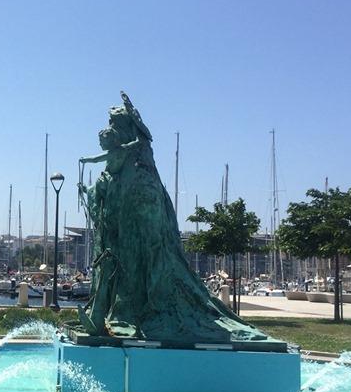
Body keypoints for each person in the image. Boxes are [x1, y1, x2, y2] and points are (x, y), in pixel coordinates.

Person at [76, 92, 267, 345]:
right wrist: (91, 192)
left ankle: (134, 313)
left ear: (125, 130)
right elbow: (102, 201)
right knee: (112, 269)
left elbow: (152, 230)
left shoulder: (142, 176)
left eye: (114, 125)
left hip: (144, 255)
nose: (109, 130)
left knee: (132, 275)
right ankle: (105, 314)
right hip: (118, 251)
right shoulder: (114, 172)